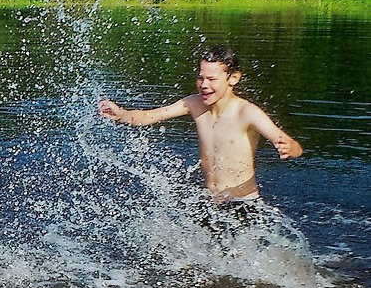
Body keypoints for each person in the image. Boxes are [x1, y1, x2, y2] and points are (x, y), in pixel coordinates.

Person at [99, 45, 303, 204]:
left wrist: (289, 148)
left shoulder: (246, 112)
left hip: (241, 203)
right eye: (200, 77)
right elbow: (150, 116)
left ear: (233, 78)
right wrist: (122, 115)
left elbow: (292, 145)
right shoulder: (194, 104)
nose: (204, 85)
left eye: (212, 79)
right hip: (207, 200)